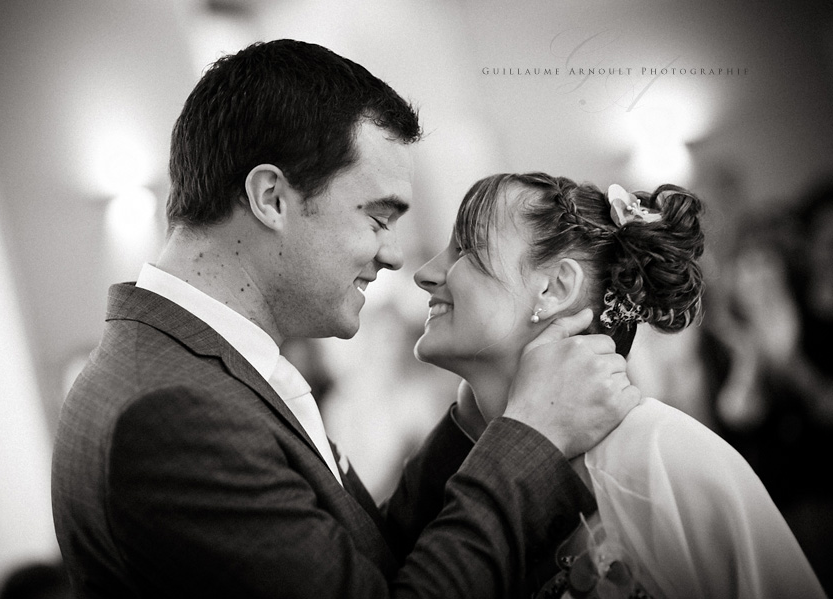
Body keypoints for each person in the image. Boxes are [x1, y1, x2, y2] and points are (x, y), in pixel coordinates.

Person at [50, 40, 639, 598]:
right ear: (271, 198)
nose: (395, 255)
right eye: (378, 218)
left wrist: (471, 428)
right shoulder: (171, 415)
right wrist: (531, 437)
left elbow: (358, 565)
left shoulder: (197, 368)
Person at [413, 172, 827, 598]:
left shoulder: (662, 454)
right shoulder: (464, 471)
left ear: (554, 288)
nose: (424, 274)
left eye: (465, 247)